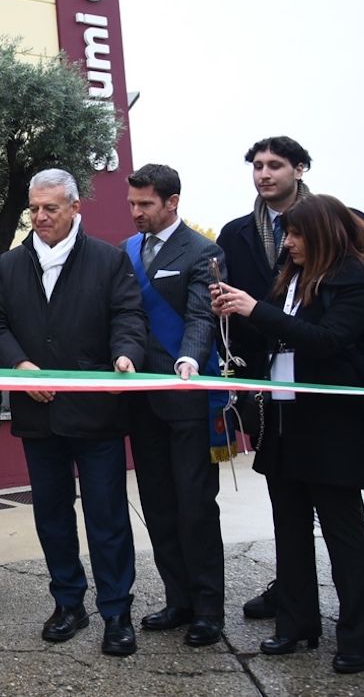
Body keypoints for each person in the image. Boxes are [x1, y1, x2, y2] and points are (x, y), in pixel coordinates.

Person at [211, 194, 364, 674]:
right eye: (286, 234)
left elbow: (328, 340)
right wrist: (233, 313)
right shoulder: (289, 278)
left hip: (332, 425)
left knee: (343, 533)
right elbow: (272, 340)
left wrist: (257, 310)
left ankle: (357, 635)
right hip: (283, 419)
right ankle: (296, 623)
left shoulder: (363, 277)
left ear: (323, 233)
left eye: (295, 234)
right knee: (288, 529)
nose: (287, 243)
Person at [0, 169, 146, 657]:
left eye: (50, 208)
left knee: (106, 517)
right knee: (52, 516)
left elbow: (128, 316)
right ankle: (68, 603)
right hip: (38, 417)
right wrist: (21, 366)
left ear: (75, 208)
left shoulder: (109, 260)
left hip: (96, 414)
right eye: (34, 208)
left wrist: (126, 354)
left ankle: (116, 612)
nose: (40, 216)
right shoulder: (11, 265)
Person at [122, 164, 226, 646]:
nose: (136, 212)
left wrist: (189, 357)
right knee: (159, 505)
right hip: (142, 400)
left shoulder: (203, 251)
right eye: (132, 203)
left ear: (172, 202)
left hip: (186, 398)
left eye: (145, 204)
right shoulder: (127, 250)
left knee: (195, 507)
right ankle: (177, 600)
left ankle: (208, 610)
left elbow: (202, 316)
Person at [217, 136, 311, 620]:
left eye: (275, 165)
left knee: (335, 502)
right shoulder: (235, 234)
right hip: (263, 382)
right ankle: (291, 589)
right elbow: (223, 305)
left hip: (323, 377)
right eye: (257, 165)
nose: (264, 174)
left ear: (300, 168)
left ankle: (356, 599)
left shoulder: (339, 221)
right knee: (282, 496)